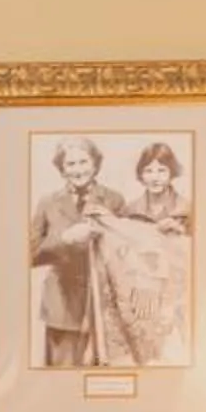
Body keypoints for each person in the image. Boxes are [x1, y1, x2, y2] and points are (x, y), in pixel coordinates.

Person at [29, 137, 125, 367]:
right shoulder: (48, 203)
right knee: (61, 384)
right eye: (70, 164)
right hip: (62, 309)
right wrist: (65, 239)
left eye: (83, 162)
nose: (78, 169)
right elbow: (29, 254)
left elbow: (127, 252)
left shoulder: (114, 200)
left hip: (104, 308)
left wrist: (110, 227)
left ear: (95, 164)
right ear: (61, 169)